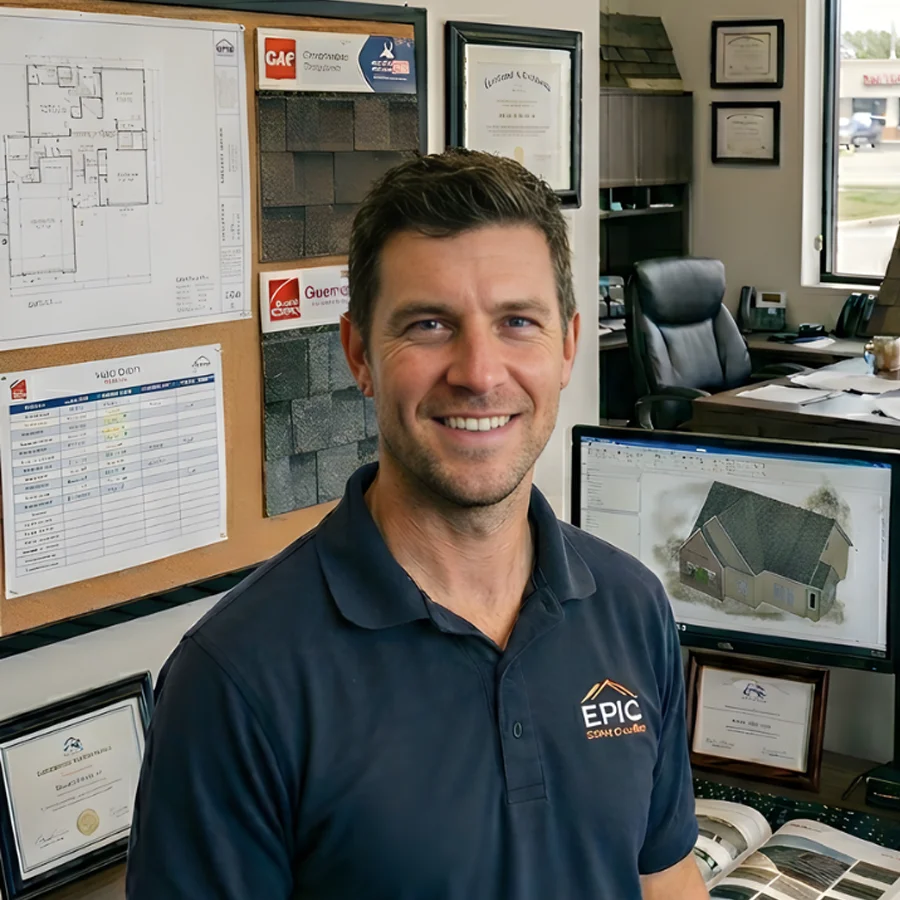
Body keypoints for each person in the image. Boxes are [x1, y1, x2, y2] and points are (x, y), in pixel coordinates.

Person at [125, 149, 708, 899]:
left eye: (517, 322)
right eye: (430, 324)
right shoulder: (237, 679)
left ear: (567, 346)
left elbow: (663, 876)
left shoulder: (630, 606)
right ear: (360, 355)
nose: (479, 371)